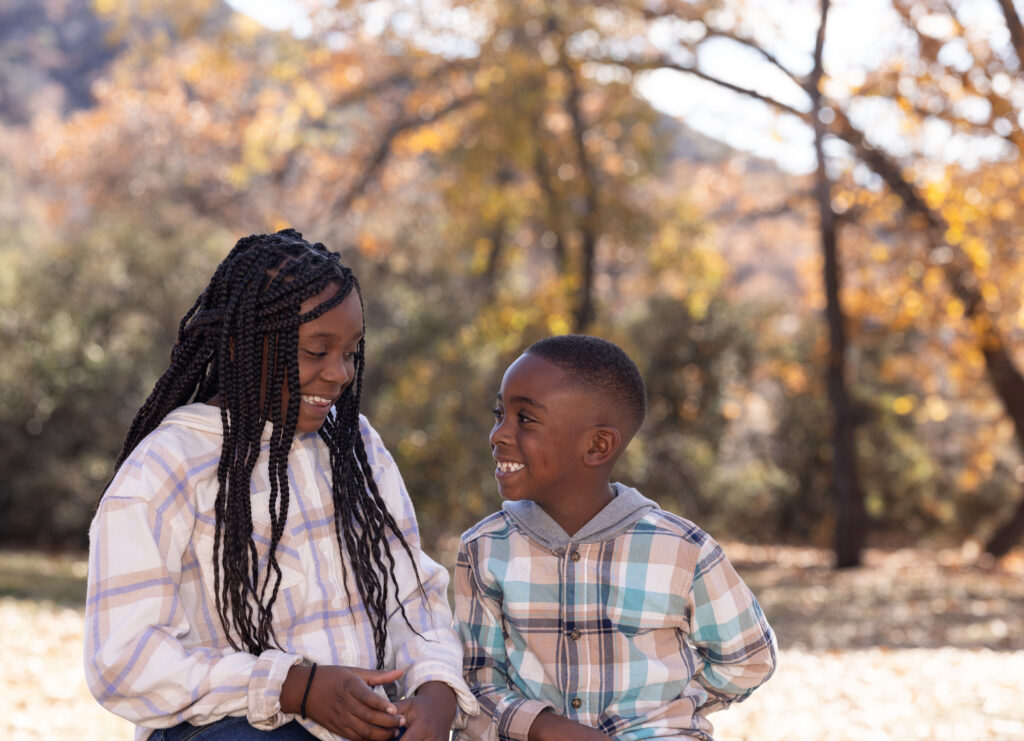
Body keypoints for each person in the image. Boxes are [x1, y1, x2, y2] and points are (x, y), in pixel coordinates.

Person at [85, 229, 477, 741]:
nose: (339, 373)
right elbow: (122, 662)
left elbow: (413, 597)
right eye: (316, 351)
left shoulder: (356, 446)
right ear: (243, 344)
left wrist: (436, 688)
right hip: (228, 729)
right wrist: (295, 687)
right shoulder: (167, 469)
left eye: (351, 352)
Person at [454, 335, 777, 741]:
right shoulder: (483, 549)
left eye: (525, 418)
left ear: (597, 445)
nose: (498, 434)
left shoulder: (682, 550)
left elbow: (749, 658)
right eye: (499, 413)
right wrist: (544, 728)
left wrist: (671, 709)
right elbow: (476, 681)